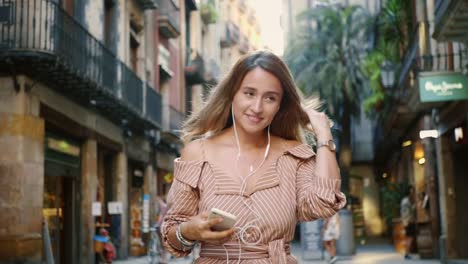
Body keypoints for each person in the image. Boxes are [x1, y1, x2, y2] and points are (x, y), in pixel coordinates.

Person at [161, 51, 347, 263]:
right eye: (249, 93)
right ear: (233, 94)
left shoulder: (293, 155)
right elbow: (172, 237)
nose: (257, 108)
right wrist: (187, 232)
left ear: (280, 105)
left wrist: (324, 136)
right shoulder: (197, 153)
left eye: (270, 98)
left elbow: (324, 203)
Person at [400, 185, 416, 260]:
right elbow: (407, 212)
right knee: (410, 238)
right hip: (409, 221)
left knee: (409, 238)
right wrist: (415, 206)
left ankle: (407, 253)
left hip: (407, 221)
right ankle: (407, 253)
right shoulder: (406, 201)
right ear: (409, 191)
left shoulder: (404, 200)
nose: (413, 192)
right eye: (412, 191)